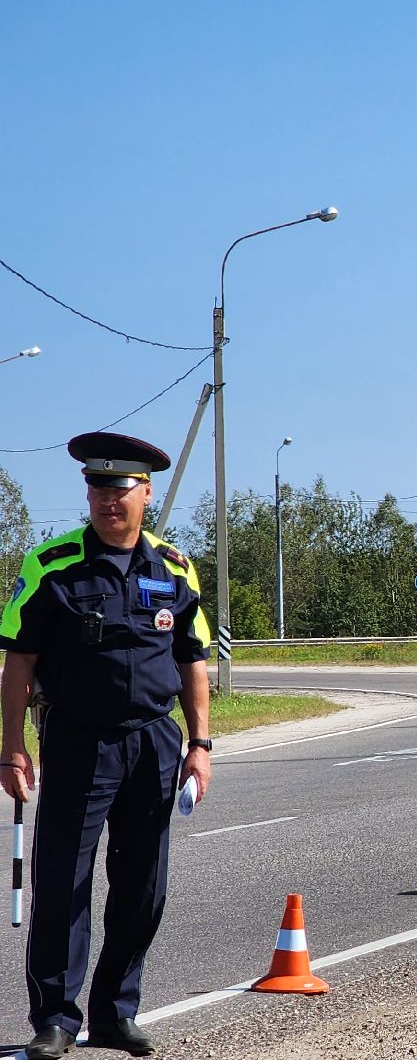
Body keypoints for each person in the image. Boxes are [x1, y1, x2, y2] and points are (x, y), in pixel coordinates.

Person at [2, 433, 212, 1059]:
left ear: (146, 493)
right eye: (97, 488)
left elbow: (192, 660)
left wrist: (200, 743)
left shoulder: (173, 566)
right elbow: (18, 661)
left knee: (143, 885)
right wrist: (11, 746)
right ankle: (57, 1021)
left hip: (153, 742)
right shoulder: (52, 563)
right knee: (64, 882)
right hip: (77, 742)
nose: (107, 500)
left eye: (120, 490)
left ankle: (116, 1012)